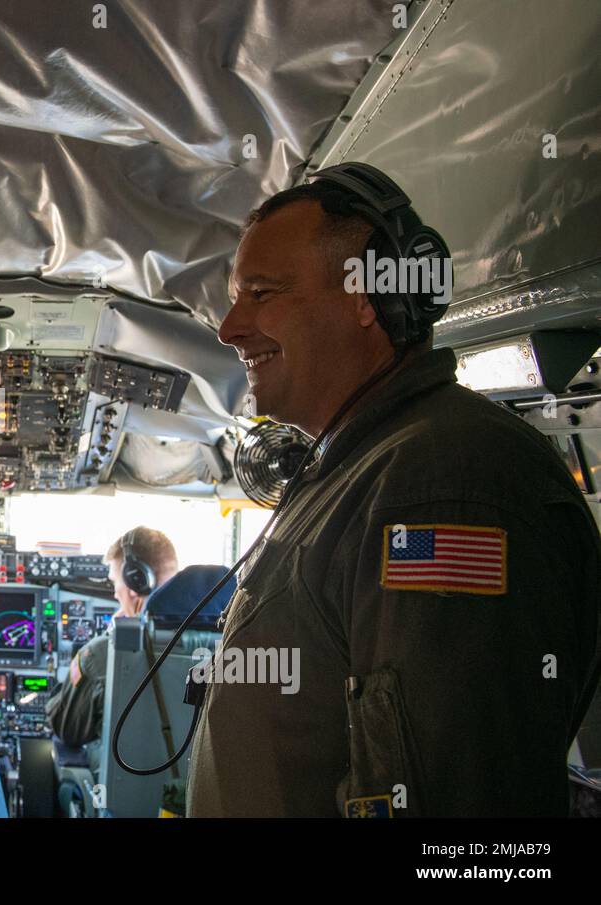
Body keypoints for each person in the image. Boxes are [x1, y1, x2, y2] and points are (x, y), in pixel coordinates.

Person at [187, 162, 601, 817]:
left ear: (366, 297)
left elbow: (451, 806)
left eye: (261, 293)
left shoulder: (445, 486)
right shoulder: (359, 467)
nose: (229, 327)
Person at [46, 528, 178, 752]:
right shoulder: (223, 639)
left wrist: (108, 637)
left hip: (120, 783)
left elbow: (66, 729)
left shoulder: (102, 654)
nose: (116, 594)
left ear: (136, 581)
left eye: (115, 582)